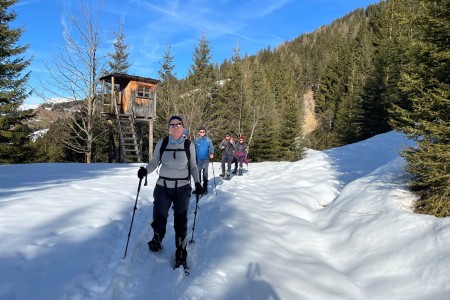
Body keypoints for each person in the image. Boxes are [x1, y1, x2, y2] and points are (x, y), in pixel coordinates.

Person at [137, 116, 202, 268]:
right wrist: (145, 171)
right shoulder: (163, 143)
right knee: (159, 216)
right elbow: (154, 163)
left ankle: (181, 249)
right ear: (169, 128)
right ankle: (157, 237)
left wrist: (198, 183)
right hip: (163, 186)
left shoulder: (188, 145)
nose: (175, 127)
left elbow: (193, 166)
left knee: (181, 221)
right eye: (172, 125)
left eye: (178, 124)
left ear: (183, 127)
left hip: (182, 188)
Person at [193, 126, 214, 194]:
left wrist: (211, 153)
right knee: (198, 172)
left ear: (205, 132)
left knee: (205, 172)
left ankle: (205, 188)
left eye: (203, 132)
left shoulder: (208, 140)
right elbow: (191, 147)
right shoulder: (196, 140)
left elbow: (211, 147)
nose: (202, 133)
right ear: (199, 133)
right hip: (198, 159)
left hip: (206, 159)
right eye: (201, 132)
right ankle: (198, 187)